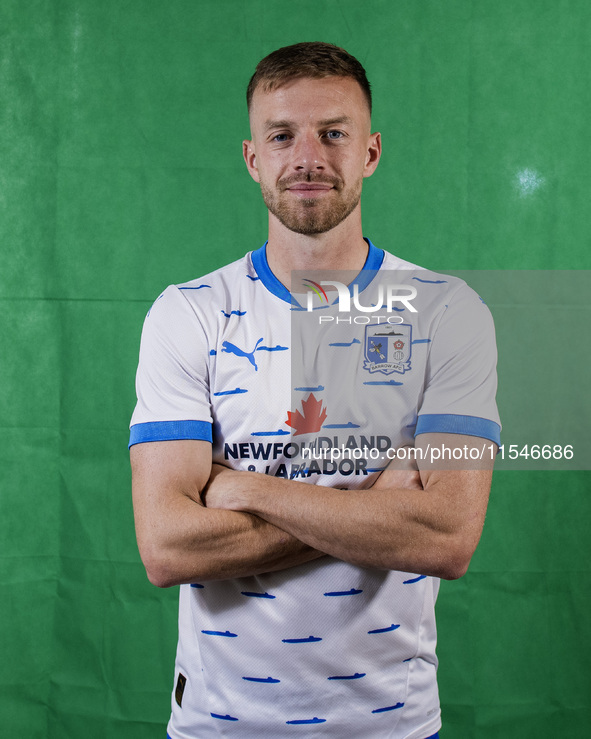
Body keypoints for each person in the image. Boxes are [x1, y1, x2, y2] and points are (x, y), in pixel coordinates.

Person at [129, 41, 500, 739]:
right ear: (252, 158)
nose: (307, 157)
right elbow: (168, 548)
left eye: (333, 133)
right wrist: (377, 510)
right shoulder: (189, 313)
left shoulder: (448, 312)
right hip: (221, 723)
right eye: (281, 135)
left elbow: (448, 537)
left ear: (370, 152)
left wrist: (248, 487)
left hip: (389, 722)